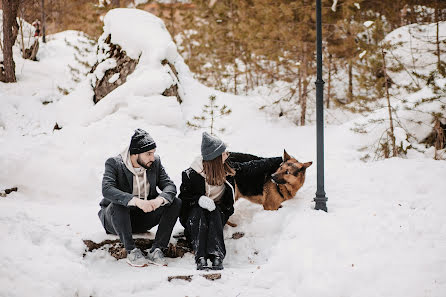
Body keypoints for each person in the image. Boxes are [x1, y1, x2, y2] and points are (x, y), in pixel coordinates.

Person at [179, 132, 282, 270]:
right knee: (199, 214)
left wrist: (280, 160)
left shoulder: (228, 169)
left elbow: (253, 166)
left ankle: (217, 255)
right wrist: (199, 200)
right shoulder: (191, 175)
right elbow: (183, 199)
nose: (227, 154)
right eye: (223, 153)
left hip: (217, 211)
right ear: (215, 158)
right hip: (194, 215)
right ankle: (201, 257)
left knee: (215, 212)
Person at [98, 129, 181, 267]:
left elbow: (170, 186)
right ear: (134, 154)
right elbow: (107, 189)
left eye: (153, 153)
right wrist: (136, 201)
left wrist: (158, 200)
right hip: (115, 219)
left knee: (175, 202)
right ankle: (131, 251)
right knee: (119, 203)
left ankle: (157, 249)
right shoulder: (114, 163)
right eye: (148, 154)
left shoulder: (155, 163)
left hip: (143, 218)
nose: (152, 158)